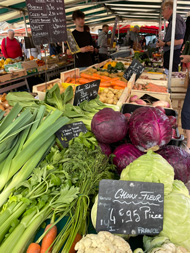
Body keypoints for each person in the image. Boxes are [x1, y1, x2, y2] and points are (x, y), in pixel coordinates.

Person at [156, 1, 186, 71]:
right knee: (168, 74)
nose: (162, 13)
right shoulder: (173, 20)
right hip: (171, 53)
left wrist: (164, 43)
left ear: (169, 9)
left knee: (171, 76)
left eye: (163, 10)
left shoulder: (176, 20)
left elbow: (180, 41)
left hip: (173, 53)